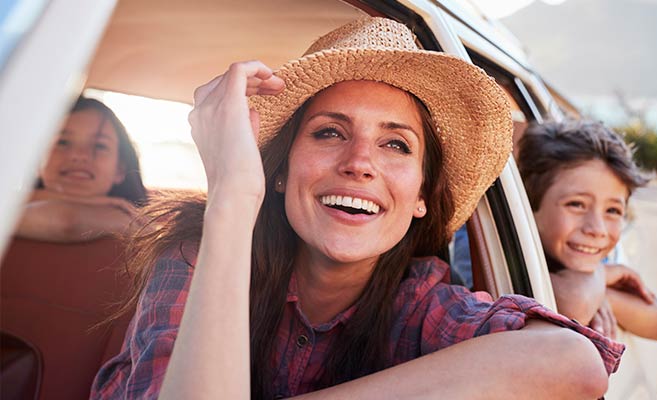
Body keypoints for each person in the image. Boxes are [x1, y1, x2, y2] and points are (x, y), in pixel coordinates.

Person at [91, 18, 623, 399]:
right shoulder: (195, 258)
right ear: (277, 172)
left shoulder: (420, 303)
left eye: (396, 145)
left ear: (420, 196)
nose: (360, 163)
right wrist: (231, 194)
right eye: (329, 132)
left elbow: (573, 364)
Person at [517, 119, 657, 341]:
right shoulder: (497, 249)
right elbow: (575, 306)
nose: (597, 229)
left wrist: (601, 293)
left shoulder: (597, 251)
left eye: (612, 210)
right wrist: (601, 276)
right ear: (528, 205)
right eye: (576, 204)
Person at [15, 96, 147, 242]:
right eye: (62, 142)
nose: (78, 155)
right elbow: (66, 222)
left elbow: (67, 221)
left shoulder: (140, 225)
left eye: (99, 145)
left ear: (120, 170)